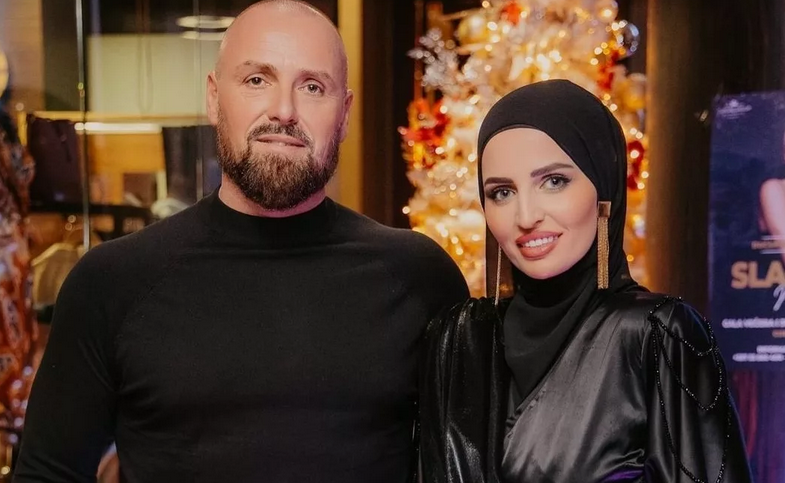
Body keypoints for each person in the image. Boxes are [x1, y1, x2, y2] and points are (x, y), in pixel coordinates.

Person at [13, 1, 468, 481]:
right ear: (214, 98)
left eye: (313, 87)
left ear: (345, 113)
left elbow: (467, 463)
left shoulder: (420, 278)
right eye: (256, 80)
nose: (284, 111)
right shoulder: (112, 282)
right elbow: (47, 475)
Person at [418, 79, 753, 483]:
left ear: (603, 188)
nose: (526, 216)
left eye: (554, 182)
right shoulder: (460, 340)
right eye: (502, 192)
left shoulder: (658, 334)